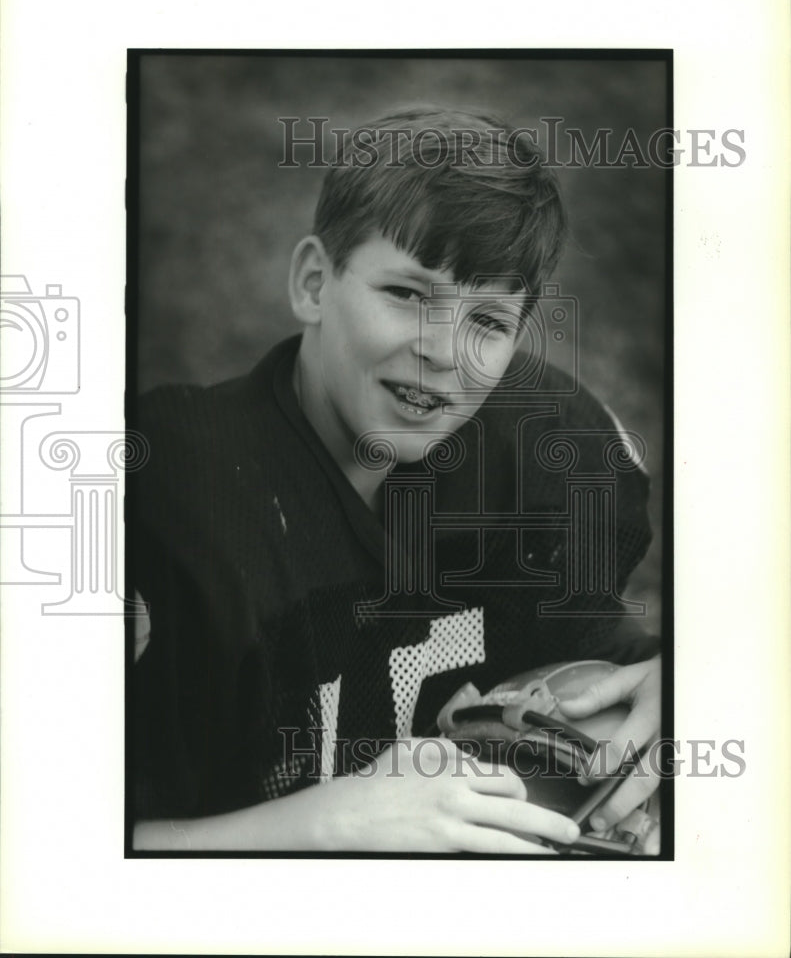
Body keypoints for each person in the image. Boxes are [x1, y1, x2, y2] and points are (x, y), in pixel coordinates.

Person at [131, 107, 661, 852]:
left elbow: (603, 651)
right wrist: (325, 825)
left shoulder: (544, 447)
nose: (444, 352)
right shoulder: (167, 496)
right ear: (315, 282)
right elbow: (52, 851)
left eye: (487, 320)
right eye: (408, 295)